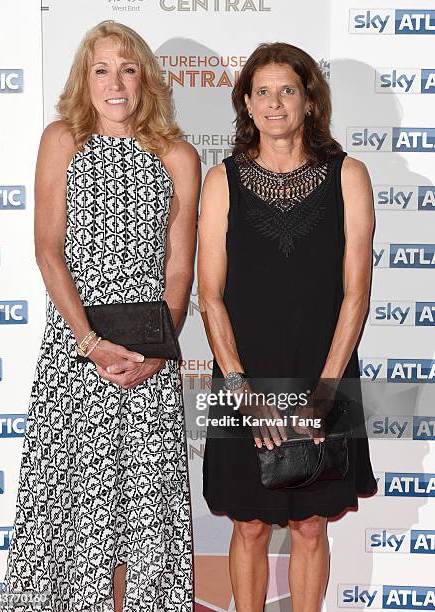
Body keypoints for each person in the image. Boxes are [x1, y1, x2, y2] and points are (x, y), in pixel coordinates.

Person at [0, 20, 200, 612]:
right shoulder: (62, 138)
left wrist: (159, 351)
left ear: (147, 81)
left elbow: (180, 267)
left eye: (128, 68)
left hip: (147, 361)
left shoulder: (178, 154)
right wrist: (88, 341)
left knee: (147, 521)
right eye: (102, 69)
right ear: (84, 80)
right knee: (66, 518)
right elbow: (47, 249)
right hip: (75, 356)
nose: (116, 82)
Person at [198, 42, 377, 612]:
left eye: (288, 90)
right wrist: (238, 389)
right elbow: (209, 296)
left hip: (324, 371)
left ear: (309, 102)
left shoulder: (349, 175)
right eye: (263, 92)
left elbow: (357, 294)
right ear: (246, 104)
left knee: (310, 528)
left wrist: (326, 390)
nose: (275, 103)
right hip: (241, 377)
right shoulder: (220, 181)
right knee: (248, 526)